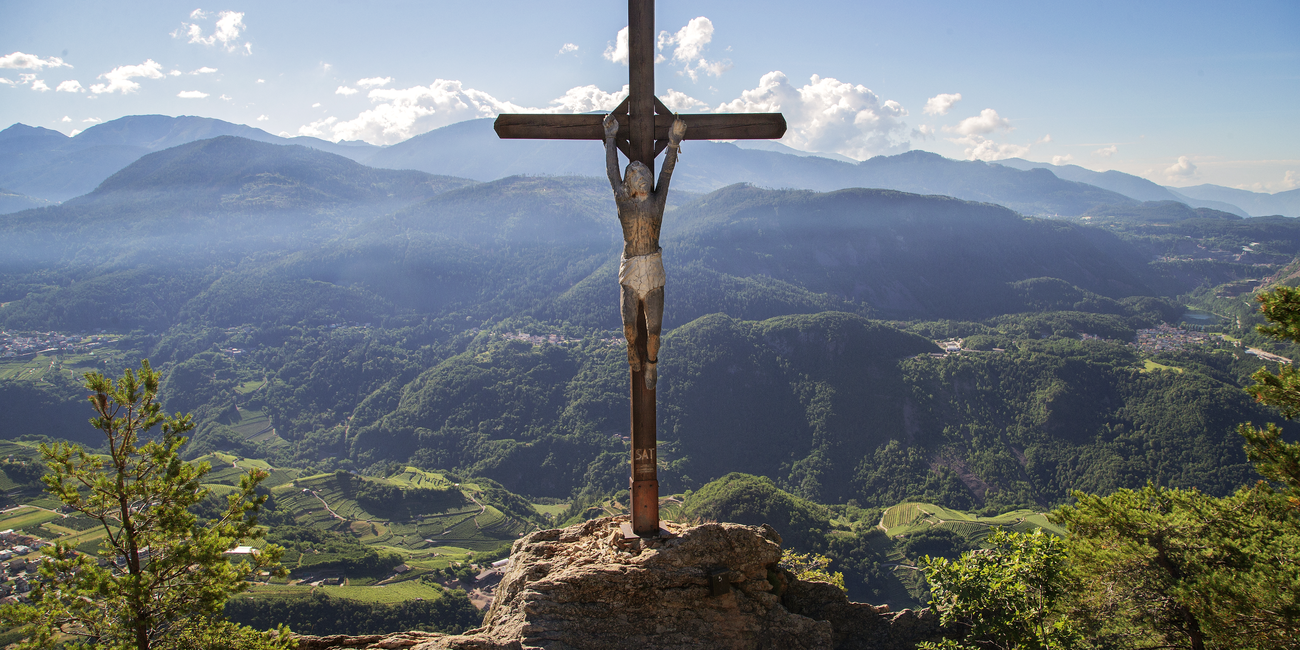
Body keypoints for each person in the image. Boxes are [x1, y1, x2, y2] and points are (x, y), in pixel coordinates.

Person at [602, 112, 686, 390]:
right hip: (630, 269)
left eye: (645, 175)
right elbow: (612, 173)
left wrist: (674, 141)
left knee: (654, 332)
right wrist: (611, 138)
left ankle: (652, 363)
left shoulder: (656, 203)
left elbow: (667, 172)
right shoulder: (623, 204)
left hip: (652, 268)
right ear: (629, 181)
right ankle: (630, 349)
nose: (644, 178)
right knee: (629, 328)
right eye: (637, 175)